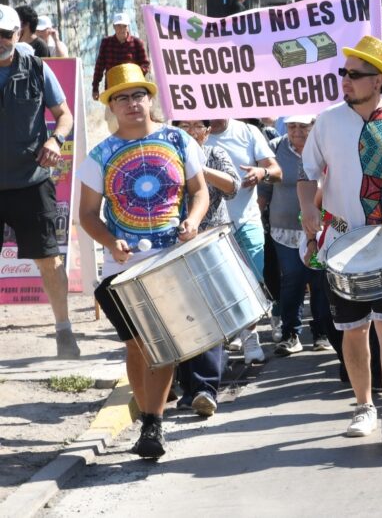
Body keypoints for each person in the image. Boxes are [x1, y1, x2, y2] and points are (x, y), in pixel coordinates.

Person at [299, 35, 382, 445]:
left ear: (378, 81)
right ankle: (363, 406)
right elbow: (307, 174)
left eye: (355, 74)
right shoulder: (326, 121)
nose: (346, 80)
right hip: (341, 243)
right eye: (343, 72)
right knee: (353, 329)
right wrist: (307, 210)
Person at [78, 63, 209, 457]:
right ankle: (148, 417)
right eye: (122, 97)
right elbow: (87, 215)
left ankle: (153, 423)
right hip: (123, 267)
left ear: (150, 99)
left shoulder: (178, 140)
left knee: (162, 343)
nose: (132, 103)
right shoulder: (99, 156)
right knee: (136, 346)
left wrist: (193, 220)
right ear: (111, 106)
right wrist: (110, 241)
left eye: (138, 95)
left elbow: (199, 191)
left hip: (170, 259)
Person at [0, 4, 79, 358]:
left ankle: (64, 331)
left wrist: (56, 140)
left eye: (6, 34)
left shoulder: (37, 68)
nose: (0, 40)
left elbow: (64, 115)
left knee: (49, 260)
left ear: (19, 34)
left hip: (32, 182)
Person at [172, 119, 241, 416]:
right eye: (183, 126)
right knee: (184, 318)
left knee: (210, 317)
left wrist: (198, 168)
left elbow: (233, 186)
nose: (189, 131)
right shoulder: (166, 154)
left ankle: (204, 389)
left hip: (211, 243)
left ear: (207, 131)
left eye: (196, 126)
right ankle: (189, 388)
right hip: (176, 247)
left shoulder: (214, 154)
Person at [258, 115, 337, 358]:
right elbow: (265, 188)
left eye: (303, 127)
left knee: (319, 279)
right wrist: (259, 213)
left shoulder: (326, 146)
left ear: (314, 126)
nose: (297, 132)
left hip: (320, 227)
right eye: (292, 126)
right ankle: (290, 333)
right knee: (292, 278)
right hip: (284, 229)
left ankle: (321, 332)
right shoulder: (276, 147)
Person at [207, 118, 282, 363]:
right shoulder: (189, 133)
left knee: (251, 283)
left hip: (247, 220)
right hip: (209, 227)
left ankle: (250, 339)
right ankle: (232, 335)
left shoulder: (248, 132)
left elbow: (276, 171)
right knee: (221, 287)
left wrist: (262, 173)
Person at [91, 13, 150, 102]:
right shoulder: (106, 43)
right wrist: (95, 88)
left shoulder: (137, 43)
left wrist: (132, 74)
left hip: (133, 90)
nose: (121, 29)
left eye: (124, 26)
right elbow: (99, 66)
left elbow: (145, 64)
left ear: (128, 27)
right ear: (114, 27)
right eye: (118, 26)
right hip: (112, 90)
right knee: (112, 111)